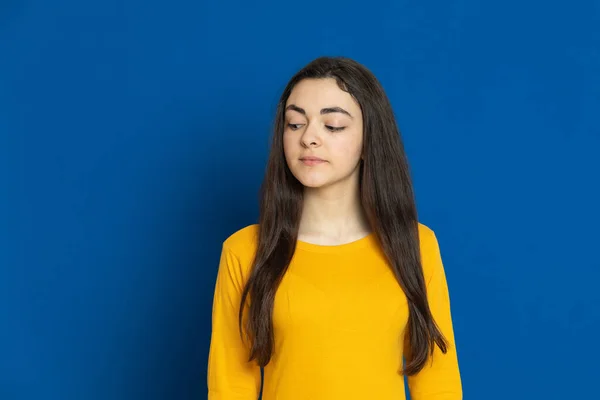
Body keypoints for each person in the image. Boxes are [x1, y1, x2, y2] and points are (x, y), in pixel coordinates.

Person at [207, 56, 462, 400]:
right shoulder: (245, 250)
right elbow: (231, 387)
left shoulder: (415, 245)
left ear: (369, 138)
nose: (309, 138)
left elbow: (437, 383)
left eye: (333, 126)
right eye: (295, 124)